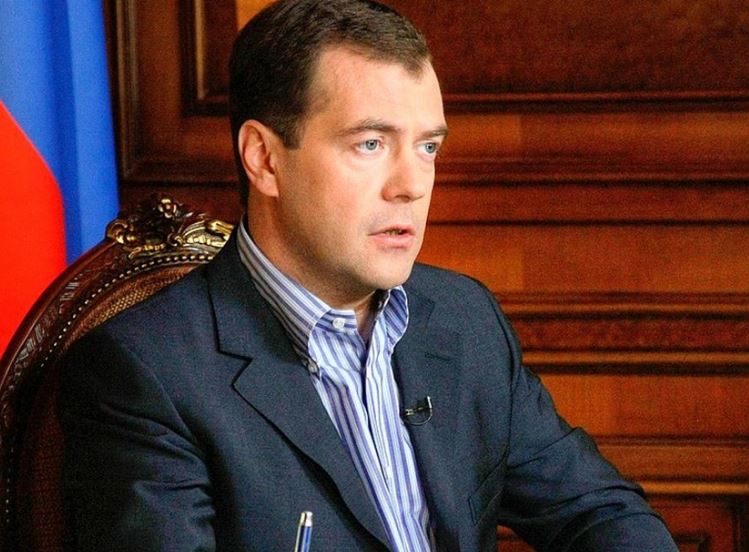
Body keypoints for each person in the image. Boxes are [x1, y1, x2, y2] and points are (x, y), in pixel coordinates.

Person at [59, 0, 678, 550]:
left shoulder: (464, 318)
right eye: (371, 144)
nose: (412, 185)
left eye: (428, 147)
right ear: (264, 159)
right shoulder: (145, 372)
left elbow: (597, 512)